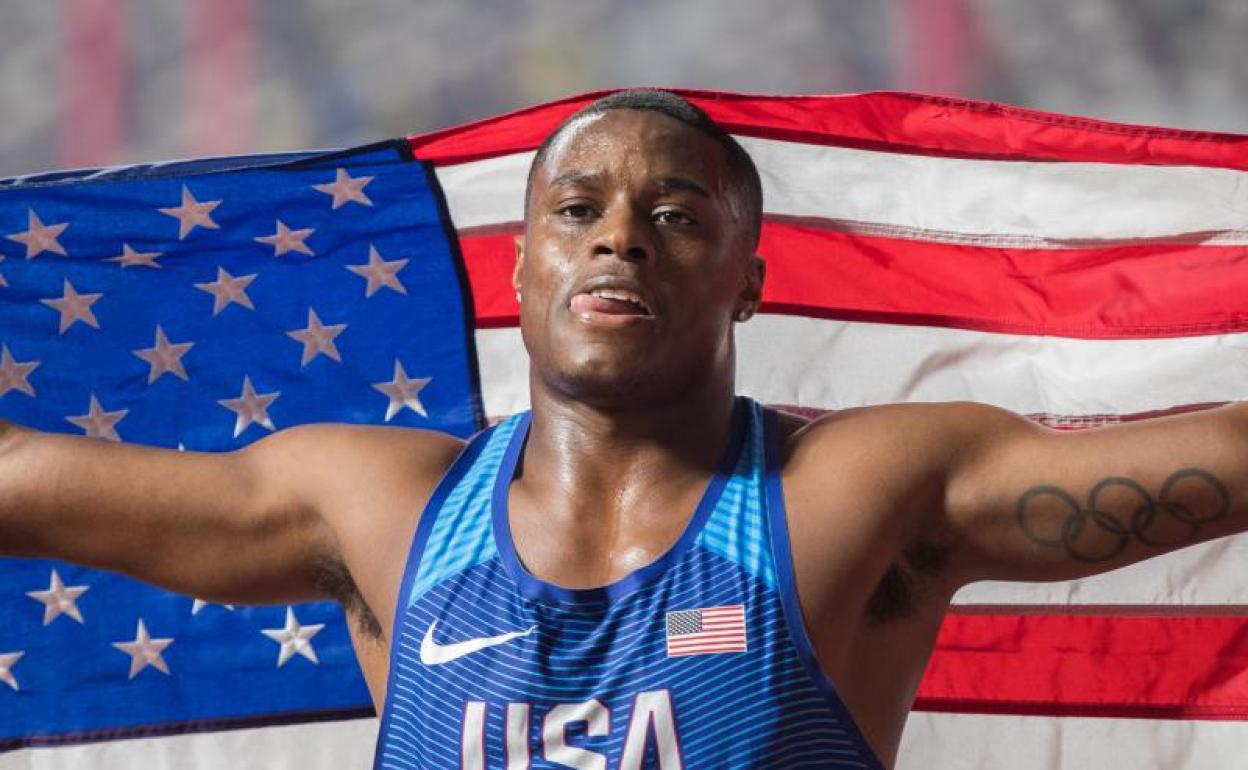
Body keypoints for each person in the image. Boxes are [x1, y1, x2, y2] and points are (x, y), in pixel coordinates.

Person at [0, 89, 1243, 769]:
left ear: (749, 282)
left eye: (676, 215)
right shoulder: (376, 507)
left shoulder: (856, 492)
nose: (619, 238)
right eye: (576, 209)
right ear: (522, 267)